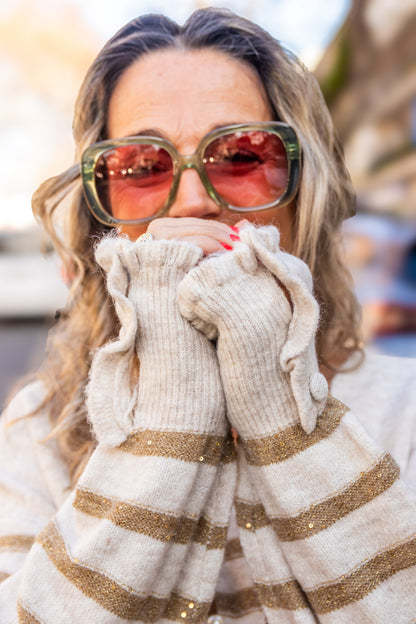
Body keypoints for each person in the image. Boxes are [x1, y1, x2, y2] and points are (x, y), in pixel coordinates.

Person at [1, 8, 415, 624]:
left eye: (243, 157)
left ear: (304, 198)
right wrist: (172, 414)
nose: (194, 200)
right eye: (142, 169)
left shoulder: (402, 407)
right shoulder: (40, 430)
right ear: (105, 217)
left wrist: (278, 403)